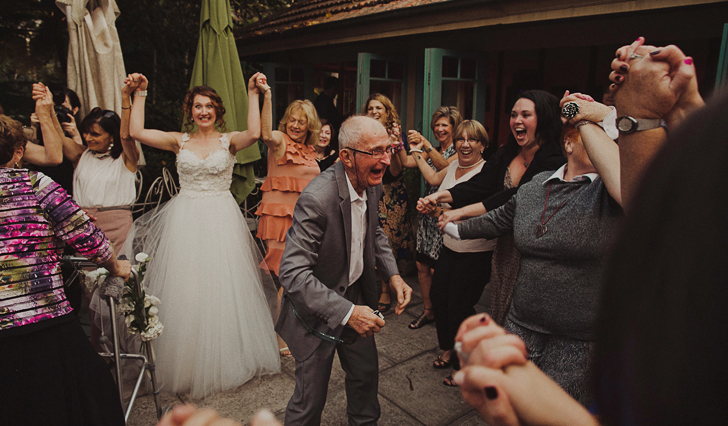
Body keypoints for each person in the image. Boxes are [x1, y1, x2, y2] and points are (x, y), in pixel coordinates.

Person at [435, 95, 623, 404]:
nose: (606, 149)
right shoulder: (537, 185)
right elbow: (500, 216)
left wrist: (595, 115)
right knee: (511, 401)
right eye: (596, 139)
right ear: (570, 144)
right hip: (522, 323)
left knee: (555, 408)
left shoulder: (610, 196)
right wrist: (452, 225)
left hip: (576, 339)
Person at [125, 72, 280, 399]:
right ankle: (187, 362)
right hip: (187, 219)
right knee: (187, 288)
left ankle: (226, 359)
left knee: (223, 287)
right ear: (190, 111)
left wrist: (255, 93)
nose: (204, 111)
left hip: (222, 219)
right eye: (198, 106)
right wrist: (141, 92)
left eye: (209, 106)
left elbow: (255, 132)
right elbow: (136, 131)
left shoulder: (230, 141)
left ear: (218, 111)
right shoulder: (178, 140)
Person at [276, 115, 413, 425]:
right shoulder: (317, 197)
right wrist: (349, 313)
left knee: (366, 383)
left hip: (357, 296)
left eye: (388, 149)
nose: (386, 159)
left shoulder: (372, 182)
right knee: (309, 402)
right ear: (347, 157)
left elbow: (374, 231)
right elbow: (293, 273)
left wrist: (393, 275)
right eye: (376, 151)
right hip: (317, 309)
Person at [0, 119, 131, 426]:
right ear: (18, 152)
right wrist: (114, 266)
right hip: (44, 320)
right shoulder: (35, 186)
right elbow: (93, 242)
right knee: (88, 403)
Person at [421, 91, 566, 326]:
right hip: (504, 246)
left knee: (522, 312)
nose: (517, 121)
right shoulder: (508, 152)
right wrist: (440, 196)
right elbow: (481, 184)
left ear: (544, 118)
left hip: (531, 245)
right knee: (500, 304)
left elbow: (514, 197)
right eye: (513, 115)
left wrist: (459, 213)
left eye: (526, 115)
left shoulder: (554, 159)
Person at [414, 120, 496, 386]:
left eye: (472, 139)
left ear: (483, 145)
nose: (465, 144)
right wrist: (432, 209)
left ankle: (467, 362)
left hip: (475, 251)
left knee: (460, 305)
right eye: (460, 139)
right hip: (450, 247)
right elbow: (438, 194)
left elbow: (483, 211)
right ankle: (448, 348)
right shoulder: (451, 166)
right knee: (439, 297)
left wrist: (440, 210)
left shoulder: (487, 173)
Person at [256, 98, 321, 357]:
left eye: (301, 121)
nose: (295, 125)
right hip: (280, 219)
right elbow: (263, 133)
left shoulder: (309, 149)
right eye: (292, 120)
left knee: (301, 275)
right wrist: (267, 95)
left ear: (309, 125)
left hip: (305, 220)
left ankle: (295, 327)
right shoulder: (280, 141)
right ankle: (279, 335)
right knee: (287, 277)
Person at [397, 106, 462, 327]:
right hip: (426, 213)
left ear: (454, 127)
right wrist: (398, 142)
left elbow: (446, 168)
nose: (440, 129)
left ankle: (443, 312)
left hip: (444, 213)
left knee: (439, 268)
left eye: (445, 125)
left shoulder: (458, 151)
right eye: (437, 125)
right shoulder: (430, 149)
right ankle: (428, 310)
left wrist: (424, 143)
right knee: (422, 265)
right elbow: (407, 162)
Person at [361, 94, 412, 313]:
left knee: (387, 241)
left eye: (378, 107)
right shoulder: (362, 133)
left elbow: (397, 170)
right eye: (370, 107)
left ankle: (385, 289)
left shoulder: (395, 133)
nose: (374, 111)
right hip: (368, 189)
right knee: (366, 237)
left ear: (387, 110)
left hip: (391, 193)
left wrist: (393, 145)